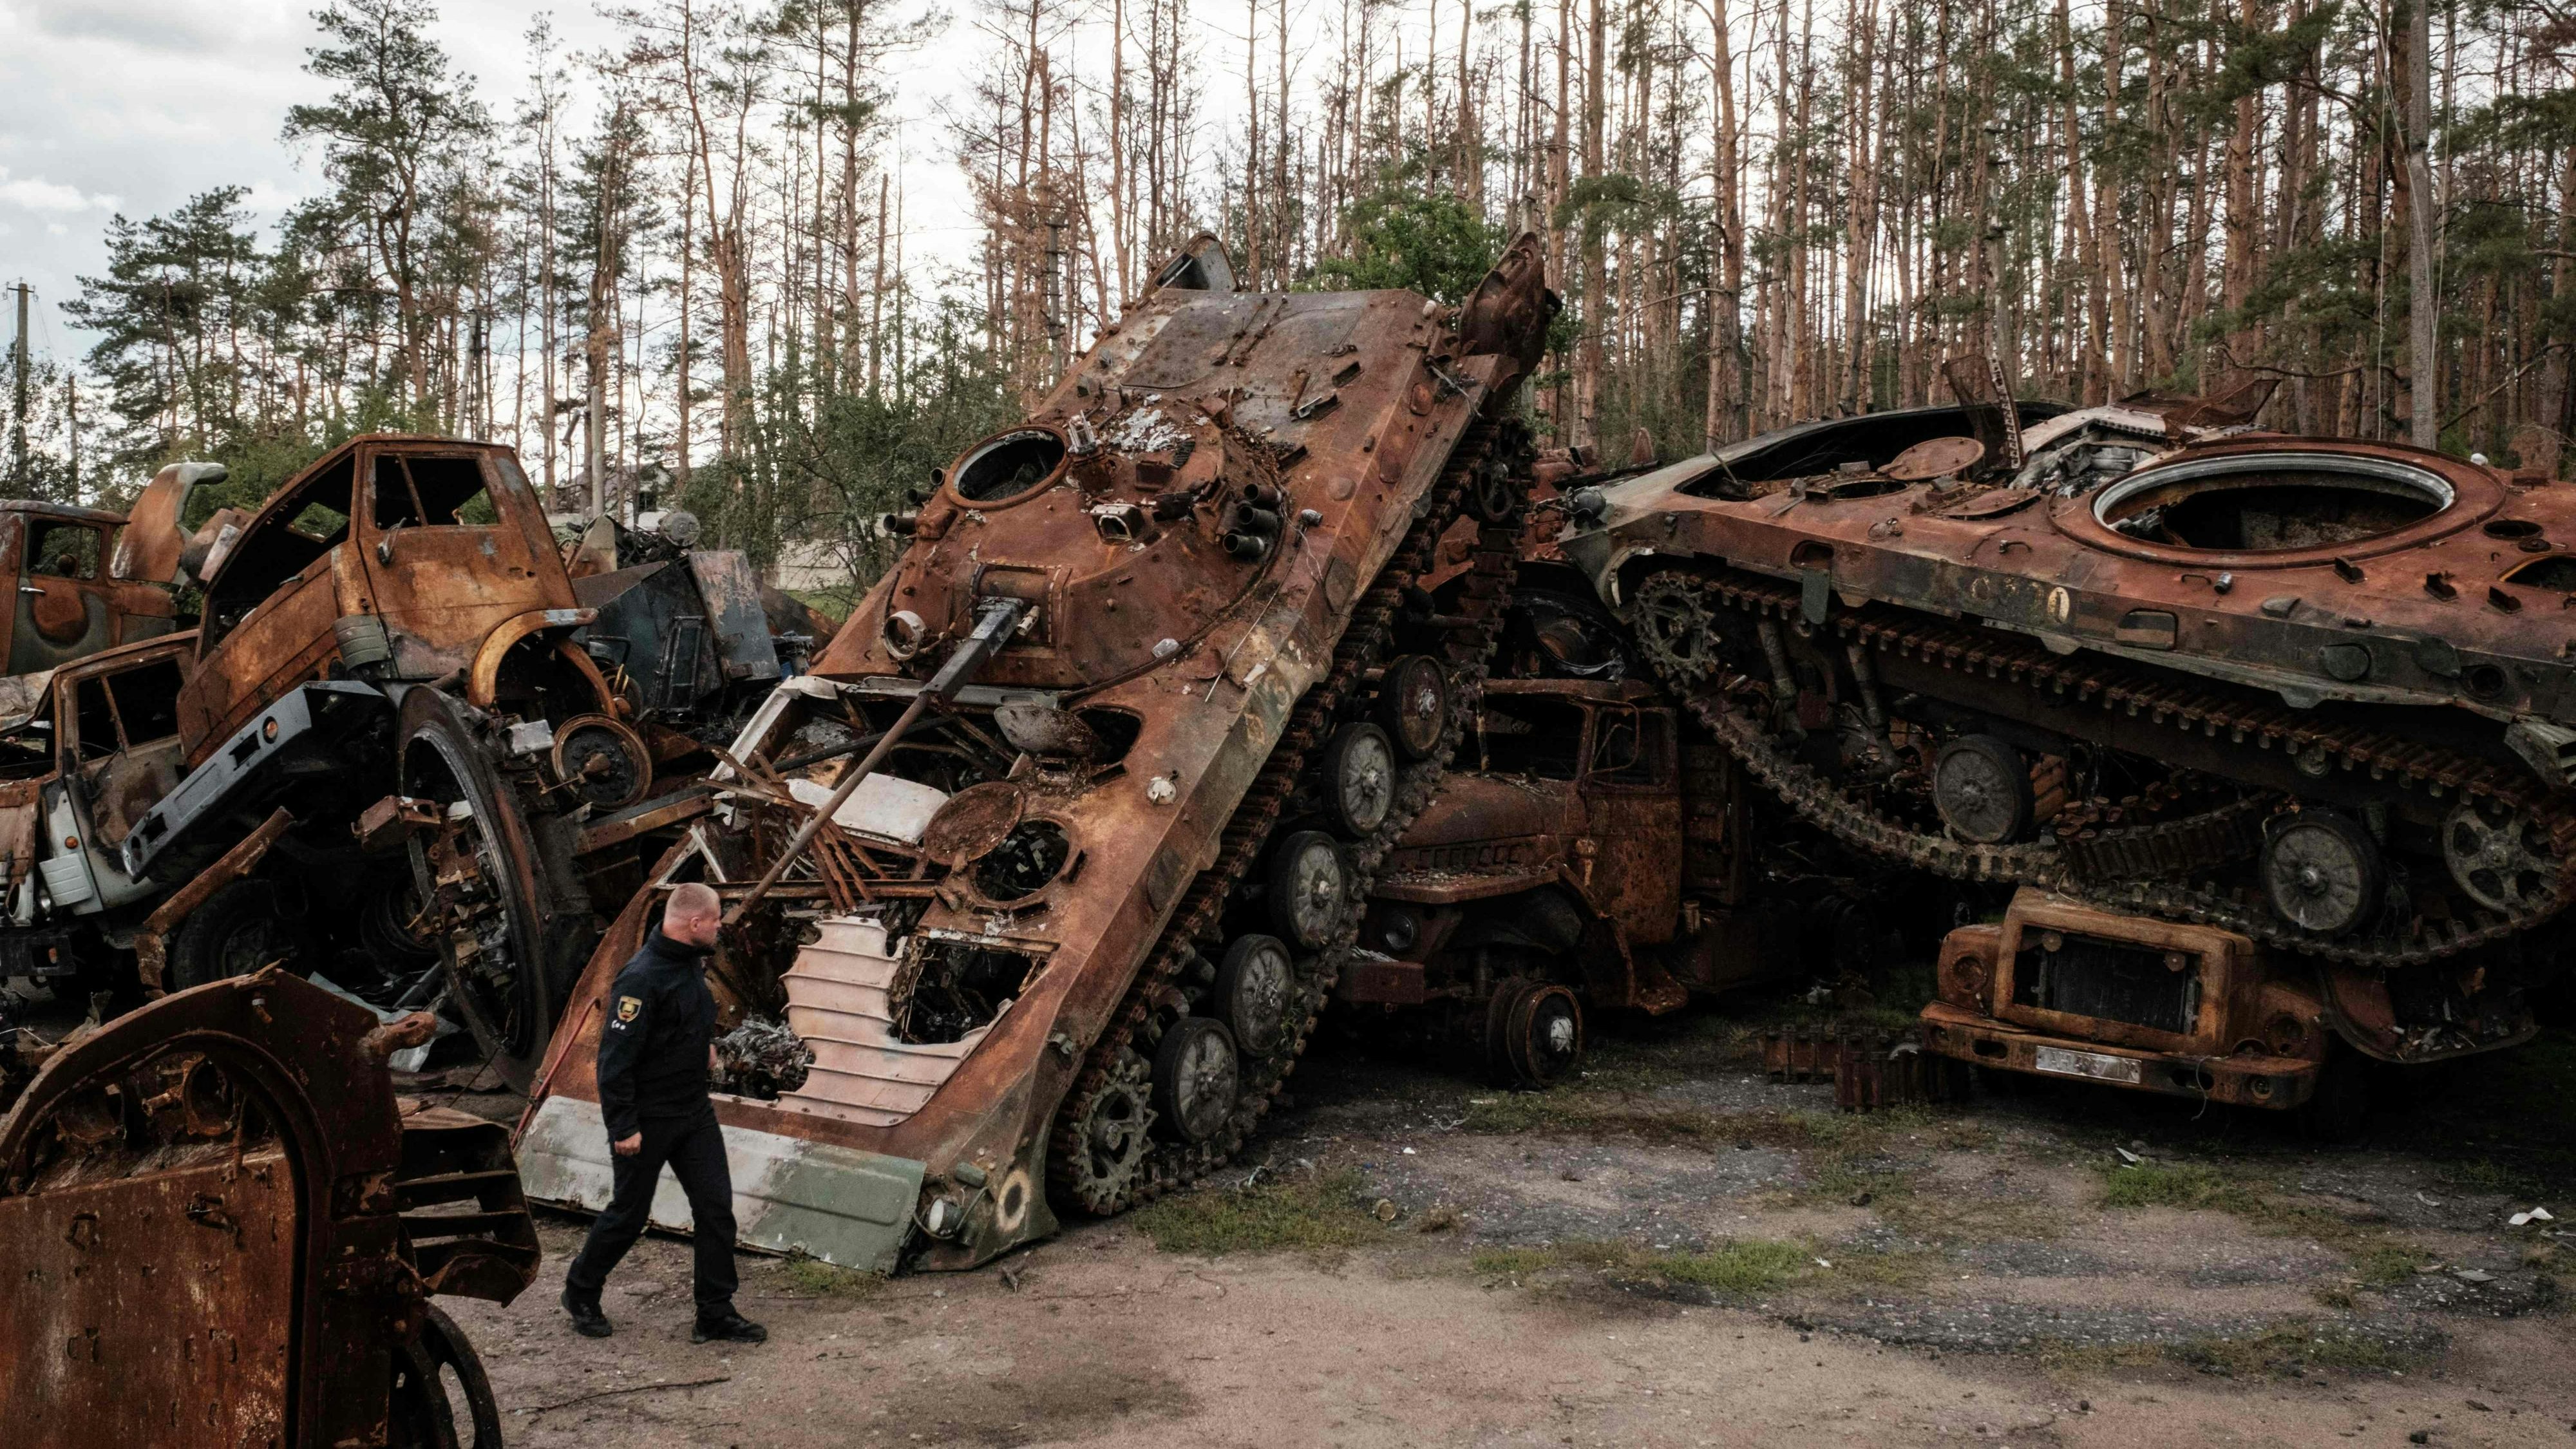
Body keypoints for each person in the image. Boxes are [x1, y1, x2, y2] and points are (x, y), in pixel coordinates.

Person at [560, 882, 767, 1344]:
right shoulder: (640, 978)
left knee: (715, 1210)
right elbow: (614, 1061)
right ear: (694, 923)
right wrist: (624, 1126)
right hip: (647, 1119)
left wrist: (705, 1049)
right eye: (715, 920)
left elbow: (679, 1023)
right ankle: (580, 1292)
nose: (720, 927)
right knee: (628, 1215)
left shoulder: (688, 961)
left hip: (692, 1112)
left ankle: (714, 1313)